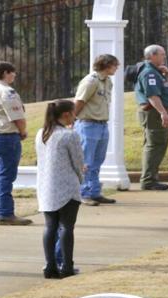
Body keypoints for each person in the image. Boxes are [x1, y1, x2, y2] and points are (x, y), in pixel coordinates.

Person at [0, 61, 34, 225]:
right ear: (5, 73)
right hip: (5, 134)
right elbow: (17, 117)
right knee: (6, 175)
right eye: (12, 72)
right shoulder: (7, 92)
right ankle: (5, 213)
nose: (14, 75)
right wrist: (23, 132)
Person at [35, 100, 85, 279]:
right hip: (66, 187)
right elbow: (78, 161)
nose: (75, 116)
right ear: (66, 115)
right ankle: (67, 265)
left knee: (50, 226)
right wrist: (81, 178)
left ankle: (50, 265)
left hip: (46, 186)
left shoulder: (42, 133)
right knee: (66, 227)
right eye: (73, 113)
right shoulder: (69, 135)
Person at [72, 54, 120, 206]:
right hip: (88, 124)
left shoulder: (107, 81)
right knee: (86, 161)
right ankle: (83, 193)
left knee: (98, 161)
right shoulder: (91, 81)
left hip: (102, 124)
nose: (116, 68)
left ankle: (94, 191)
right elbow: (79, 102)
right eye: (114, 65)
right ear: (106, 65)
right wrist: (71, 121)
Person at [135, 45, 168, 191]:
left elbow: (163, 88)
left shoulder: (155, 72)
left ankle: (151, 177)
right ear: (152, 55)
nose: (164, 57)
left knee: (157, 145)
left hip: (156, 112)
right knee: (155, 145)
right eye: (162, 54)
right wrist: (163, 113)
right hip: (153, 113)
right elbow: (152, 95)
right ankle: (148, 180)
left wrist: (167, 76)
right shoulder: (149, 74)